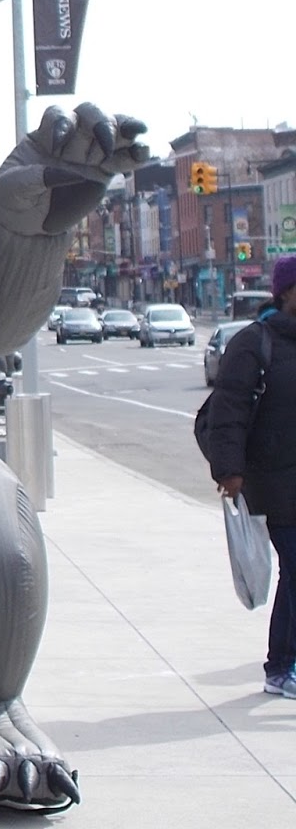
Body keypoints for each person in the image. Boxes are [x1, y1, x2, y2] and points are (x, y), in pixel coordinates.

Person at [204, 254, 296, 698]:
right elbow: (229, 408)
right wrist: (229, 470)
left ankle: (281, 664)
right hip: (272, 481)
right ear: (287, 293)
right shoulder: (254, 343)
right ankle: (280, 667)